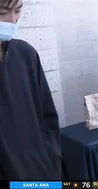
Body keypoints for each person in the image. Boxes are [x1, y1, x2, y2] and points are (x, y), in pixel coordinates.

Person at [0, 0, 62, 180]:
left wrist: (53, 158)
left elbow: (49, 116)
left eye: (17, 11)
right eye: (2, 13)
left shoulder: (26, 54)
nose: (12, 21)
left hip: (44, 174)